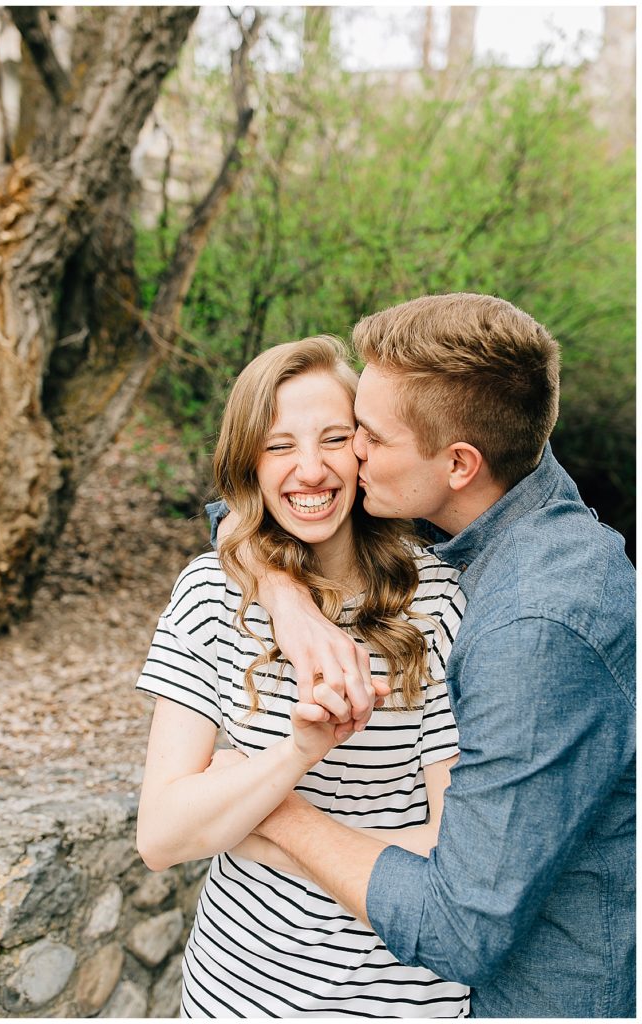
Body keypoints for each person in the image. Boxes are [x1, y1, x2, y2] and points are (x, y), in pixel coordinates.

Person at [210, 293, 636, 1018]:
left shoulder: (535, 627)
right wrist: (283, 592)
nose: (351, 457)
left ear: (459, 463)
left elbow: (460, 927)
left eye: (365, 437)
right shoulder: (502, 497)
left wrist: (271, 810)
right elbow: (258, 498)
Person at [135, 335, 471, 1018]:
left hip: (403, 998)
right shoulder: (210, 594)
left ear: (364, 447)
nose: (309, 470)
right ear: (247, 463)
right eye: (279, 445)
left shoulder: (438, 599)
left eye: (334, 438)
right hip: (235, 996)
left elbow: (454, 848)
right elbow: (162, 837)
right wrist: (299, 752)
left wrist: (261, 818)